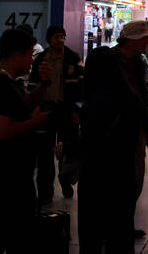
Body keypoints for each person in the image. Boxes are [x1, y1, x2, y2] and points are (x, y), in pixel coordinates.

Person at [0, 27, 53, 254]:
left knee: (16, 230)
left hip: (18, 171)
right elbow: (1, 131)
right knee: (3, 231)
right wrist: (38, 121)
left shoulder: (12, 82)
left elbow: (26, 104)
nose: (31, 60)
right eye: (29, 54)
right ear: (16, 54)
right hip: (6, 175)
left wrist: (44, 84)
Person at [76, 47, 144, 254]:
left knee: (92, 229)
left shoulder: (91, 99)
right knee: (121, 227)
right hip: (121, 170)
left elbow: (89, 136)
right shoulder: (129, 97)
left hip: (93, 172)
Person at [107, 20, 148, 239]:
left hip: (135, 128)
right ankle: (113, 228)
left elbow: (143, 94)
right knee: (117, 182)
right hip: (114, 132)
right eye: (144, 38)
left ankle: (125, 225)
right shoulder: (111, 60)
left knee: (134, 180)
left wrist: (146, 128)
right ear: (132, 40)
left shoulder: (139, 61)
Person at [29, 25, 84, 202]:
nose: (60, 40)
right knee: (44, 153)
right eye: (56, 37)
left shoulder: (73, 58)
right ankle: (45, 192)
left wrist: (77, 110)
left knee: (67, 151)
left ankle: (66, 182)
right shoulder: (41, 60)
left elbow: (81, 88)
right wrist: (34, 108)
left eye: (63, 37)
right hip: (46, 110)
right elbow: (32, 85)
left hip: (67, 111)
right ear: (49, 39)